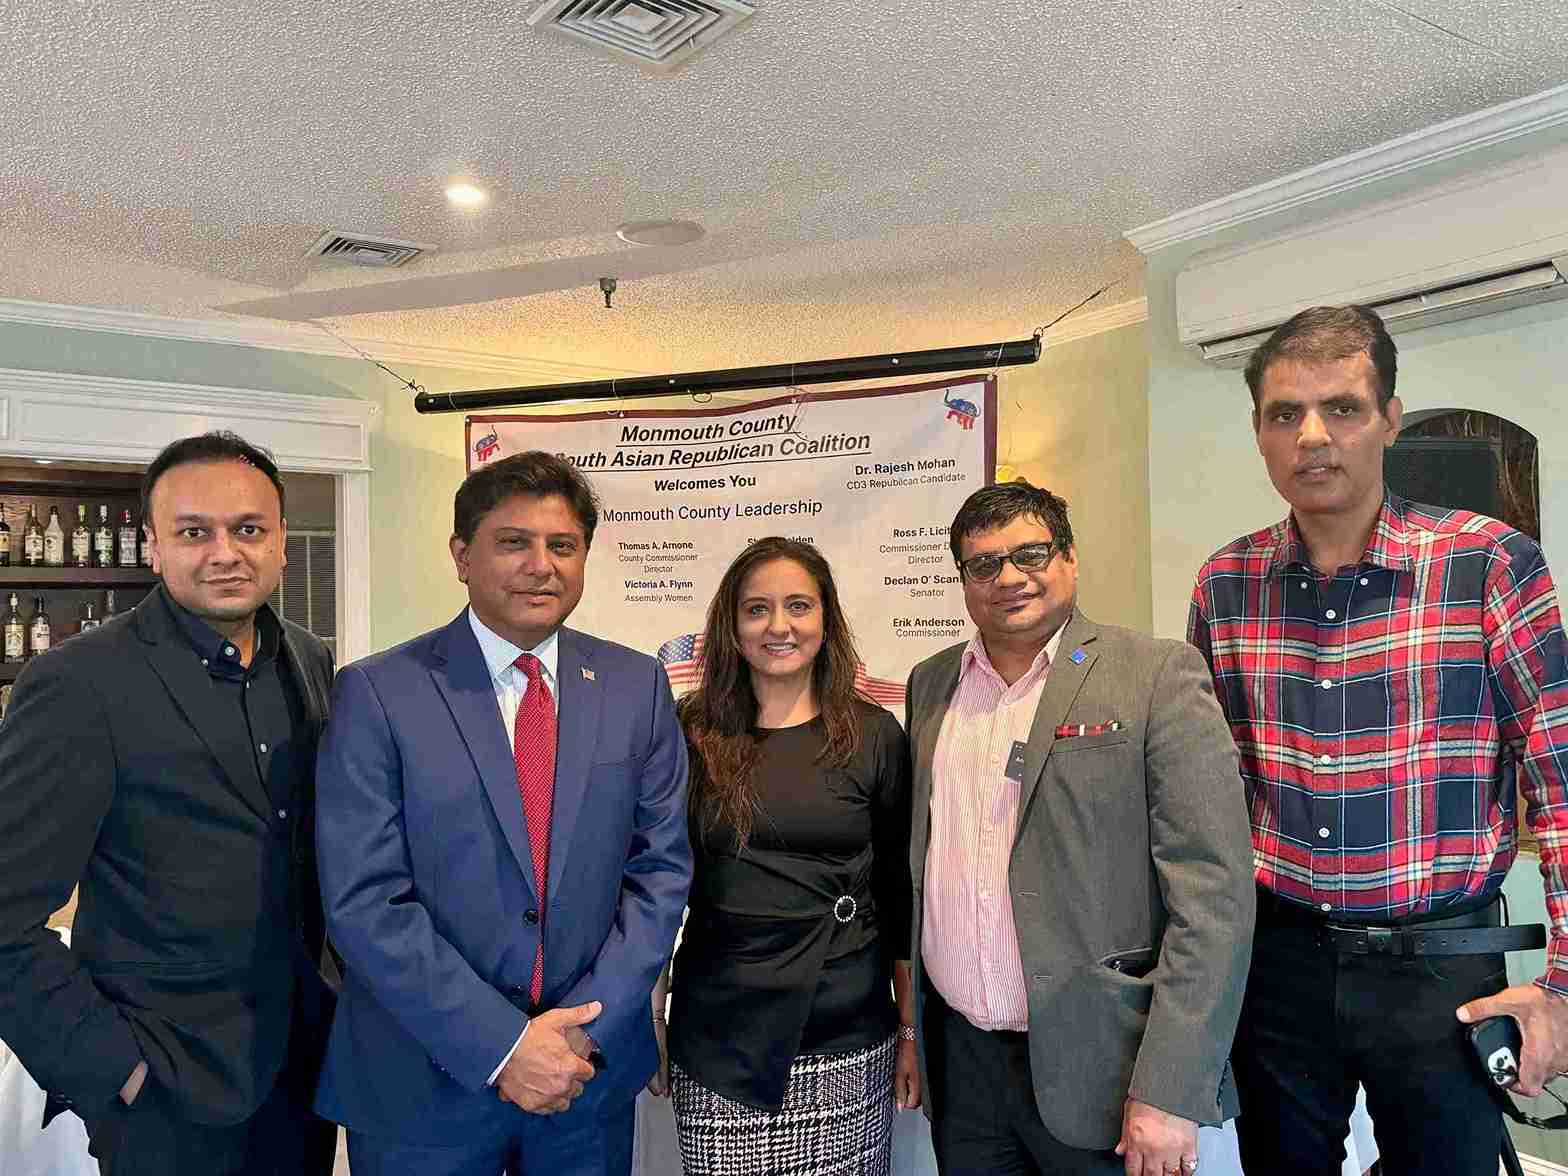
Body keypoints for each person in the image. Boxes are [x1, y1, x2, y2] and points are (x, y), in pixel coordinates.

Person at [1188, 303, 1568, 1174]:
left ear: (1389, 419)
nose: (1313, 436)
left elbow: (1561, 784)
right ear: (1258, 431)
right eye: (1285, 413)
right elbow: (1213, 796)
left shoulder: (1488, 564)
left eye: (1343, 408)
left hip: (1440, 974)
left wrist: (1563, 989)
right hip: (1277, 966)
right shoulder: (1225, 585)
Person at [314, 450, 692, 1176]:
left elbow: (661, 874)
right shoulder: (379, 692)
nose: (540, 566)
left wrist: (583, 1032)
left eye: (563, 545)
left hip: (584, 1083)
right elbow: (365, 900)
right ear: (462, 556)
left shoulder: (637, 686)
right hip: (424, 1089)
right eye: (514, 542)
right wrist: (503, 1046)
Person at [0, 431, 338, 1176]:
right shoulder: (79, 684)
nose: (225, 553)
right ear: (152, 546)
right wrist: (114, 1070)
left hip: (303, 1076)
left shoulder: (310, 659)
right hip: (164, 1088)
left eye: (248, 529)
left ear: (282, 542)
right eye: (194, 533)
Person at [909, 480, 1255, 1176]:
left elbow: (1213, 897)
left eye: (1030, 554)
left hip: (1106, 1069)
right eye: (984, 563)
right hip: (963, 1067)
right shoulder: (931, 684)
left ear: (1069, 558)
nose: (1009, 577)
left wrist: (1170, 1087)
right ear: (964, 580)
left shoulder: (1155, 674)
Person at [650, 536, 917, 1176]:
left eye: (798, 605)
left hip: (846, 1035)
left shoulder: (874, 734)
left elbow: (900, 894)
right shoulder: (689, 731)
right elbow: (658, 884)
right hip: (719, 1035)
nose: (779, 626)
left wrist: (910, 1031)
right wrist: (651, 1012)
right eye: (757, 609)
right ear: (731, 626)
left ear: (826, 619)